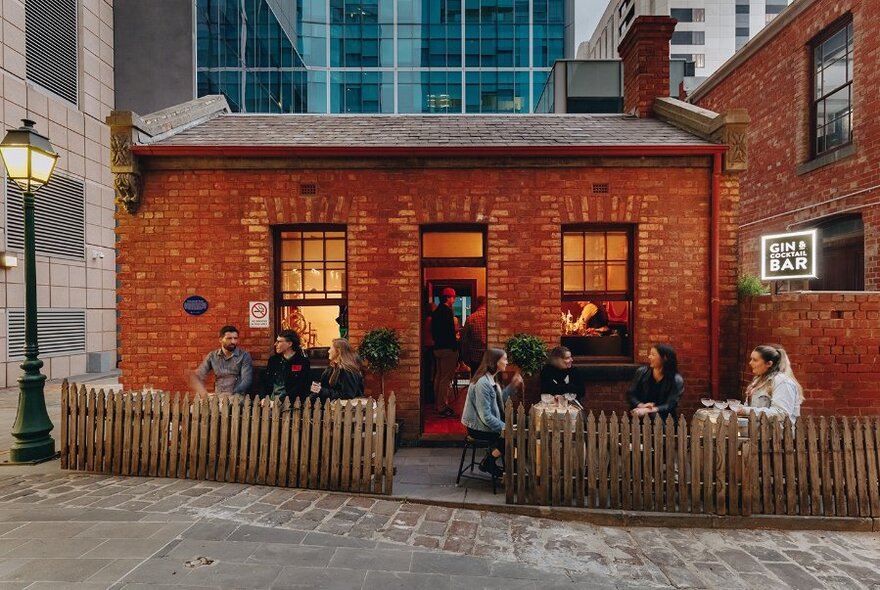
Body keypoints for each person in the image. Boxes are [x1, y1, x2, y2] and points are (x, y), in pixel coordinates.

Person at [460, 348, 523, 477]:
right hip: (477, 427)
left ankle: (506, 468)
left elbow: (499, 400)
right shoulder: (483, 383)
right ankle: (490, 462)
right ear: (495, 362)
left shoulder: (491, 379)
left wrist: (512, 386)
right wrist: (506, 428)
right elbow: (486, 416)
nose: (507, 362)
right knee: (513, 436)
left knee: (519, 430)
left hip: (485, 423)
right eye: (504, 359)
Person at [735, 344, 803, 424]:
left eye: (755, 360)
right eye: (751, 359)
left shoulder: (782, 382)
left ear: (769, 364)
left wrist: (745, 410)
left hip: (778, 434)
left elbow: (782, 413)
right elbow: (751, 409)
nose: (750, 363)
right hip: (758, 433)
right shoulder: (757, 381)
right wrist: (738, 409)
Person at [626, 343, 684, 421]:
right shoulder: (641, 372)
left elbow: (671, 404)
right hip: (639, 417)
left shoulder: (676, 379)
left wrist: (650, 410)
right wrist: (641, 405)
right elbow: (631, 394)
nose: (649, 357)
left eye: (653, 354)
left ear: (665, 358)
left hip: (664, 420)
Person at [191, 325, 253, 395]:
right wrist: (204, 393)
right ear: (220, 340)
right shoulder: (212, 356)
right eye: (229, 338)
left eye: (235, 338)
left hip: (237, 397)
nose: (233, 341)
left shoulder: (244, 356)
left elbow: (246, 380)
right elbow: (198, 375)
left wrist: (234, 392)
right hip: (218, 396)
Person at [431, 287, 459, 417]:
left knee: (438, 377)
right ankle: (442, 407)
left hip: (437, 348)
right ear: (448, 297)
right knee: (445, 379)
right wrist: (455, 345)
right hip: (448, 348)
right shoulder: (447, 312)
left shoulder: (436, 311)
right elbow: (449, 332)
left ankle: (437, 405)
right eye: (453, 297)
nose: (454, 299)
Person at [263, 330, 311, 402]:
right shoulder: (273, 360)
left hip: (290, 403)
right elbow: (265, 382)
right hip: (271, 402)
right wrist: (263, 398)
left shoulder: (302, 362)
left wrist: (281, 401)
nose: (275, 344)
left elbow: (301, 386)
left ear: (289, 344)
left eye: (279, 342)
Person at [460, 296, 488, 373]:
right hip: (490, 355)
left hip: (475, 356)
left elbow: (464, 339)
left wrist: (465, 357)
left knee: (476, 380)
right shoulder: (492, 317)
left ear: (477, 304)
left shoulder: (471, 318)